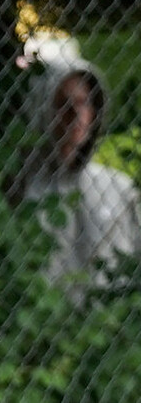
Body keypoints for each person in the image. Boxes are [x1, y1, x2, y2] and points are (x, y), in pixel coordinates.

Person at [8, 50, 140, 287]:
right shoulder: (21, 189)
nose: (76, 114)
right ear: (43, 109)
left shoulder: (119, 189)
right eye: (63, 103)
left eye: (84, 102)